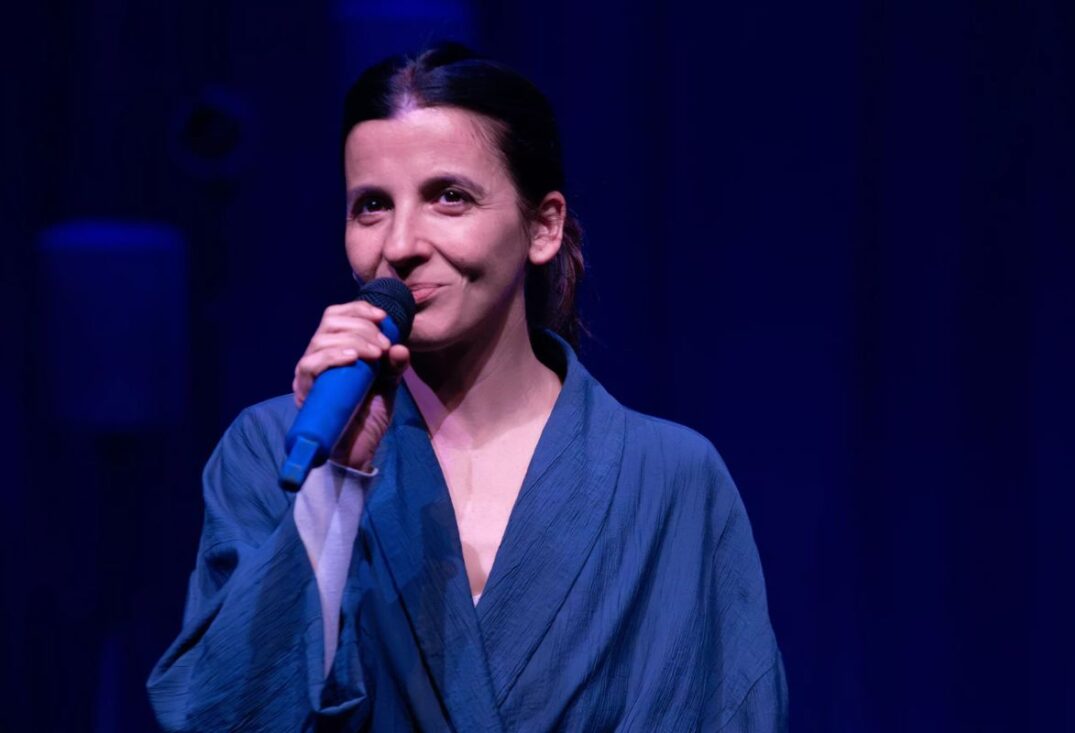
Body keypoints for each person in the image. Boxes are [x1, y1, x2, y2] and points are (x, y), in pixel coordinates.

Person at [147, 43, 787, 732]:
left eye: (449, 197)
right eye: (371, 206)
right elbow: (222, 713)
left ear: (543, 226)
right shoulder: (275, 448)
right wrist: (335, 487)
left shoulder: (668, 477)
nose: (400, 243)